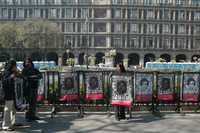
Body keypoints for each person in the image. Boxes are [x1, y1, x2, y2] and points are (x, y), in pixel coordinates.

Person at [2, 60, 18, 131]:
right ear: (12, 66)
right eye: (15, 66)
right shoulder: (7, 72)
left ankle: (12, 123)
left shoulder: (12, 72)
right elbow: (4, 82)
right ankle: (6, 125)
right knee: (7, 109)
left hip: (12, 93)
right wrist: (11, 77)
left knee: (13, 109)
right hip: (8, 93)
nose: (16, 67)